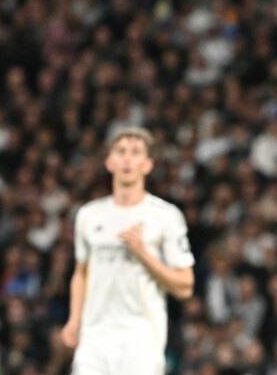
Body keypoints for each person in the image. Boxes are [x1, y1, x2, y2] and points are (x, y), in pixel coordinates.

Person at [60, 127, 195, 374]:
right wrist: (74, 319)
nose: (127, 159)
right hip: (95, 337)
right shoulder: (89, 215)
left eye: (136, 152)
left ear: (147, 164)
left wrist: (143, 253)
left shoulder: (165, 216)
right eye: (121, 152)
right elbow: (81, 272)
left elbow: (185, 285)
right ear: (109, 162)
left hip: (141, 338)